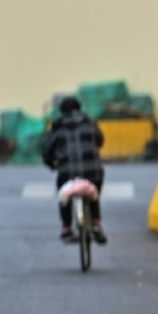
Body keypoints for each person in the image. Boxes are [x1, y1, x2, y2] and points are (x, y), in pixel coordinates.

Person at [42, 97, 107, 243]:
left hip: (67, 173)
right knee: (93, 192)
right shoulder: (90, 122)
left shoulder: (57, 127)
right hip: (93, 171)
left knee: (63, 192)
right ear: (79, 108)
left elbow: (47, 150)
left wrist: (52, 165)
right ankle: (96, 223)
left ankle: (66, 227)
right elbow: (100, 141)